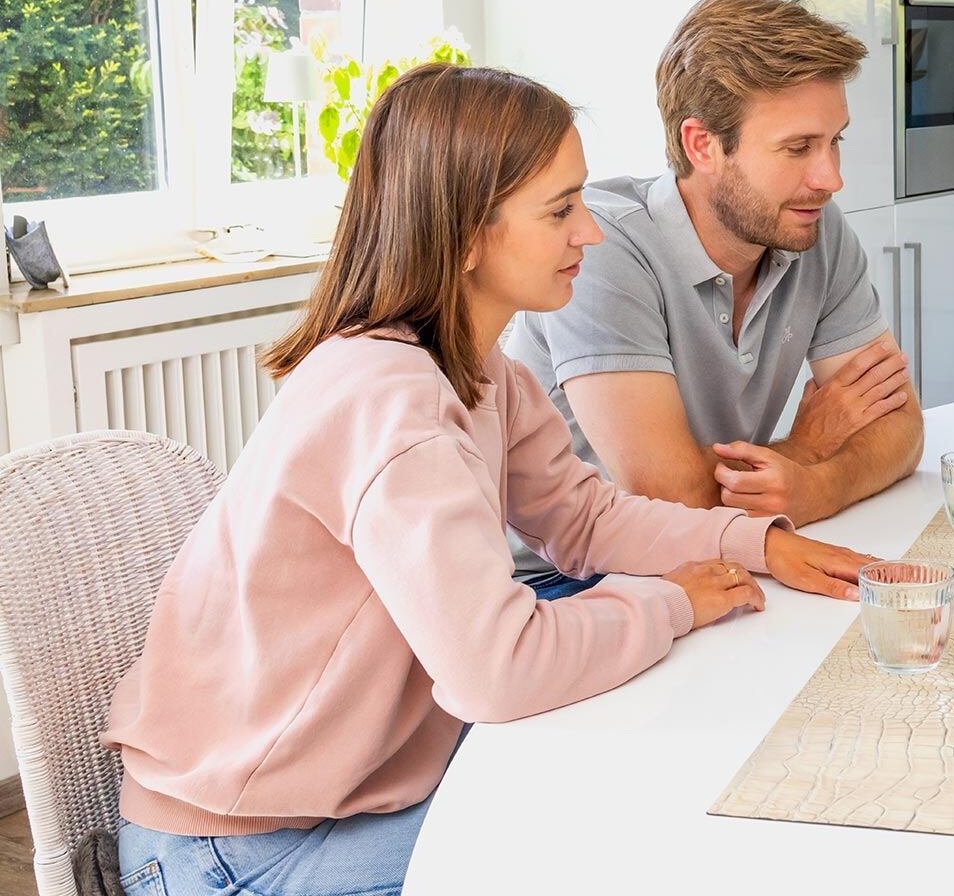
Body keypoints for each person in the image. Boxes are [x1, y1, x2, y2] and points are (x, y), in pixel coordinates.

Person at [104, 64, 871, 894]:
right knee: (629, 840)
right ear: (468, 235)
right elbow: (496, 670)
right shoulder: (391, 404)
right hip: (240, 852)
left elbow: (582, 519)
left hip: (342, 792)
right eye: (560, 210)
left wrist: (754, 542)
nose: (592, 233)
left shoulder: (477, 371)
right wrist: (676, 602)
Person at [504, 0, 921, 598]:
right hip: (566, 582)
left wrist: (818, 488)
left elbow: (901, 427)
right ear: (703, 145)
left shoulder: (812, 229)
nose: (831, 178)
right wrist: (807, 447)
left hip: (715, 554)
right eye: (798, 148)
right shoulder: (602, 246)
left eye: (835, 141)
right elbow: (669, 497)